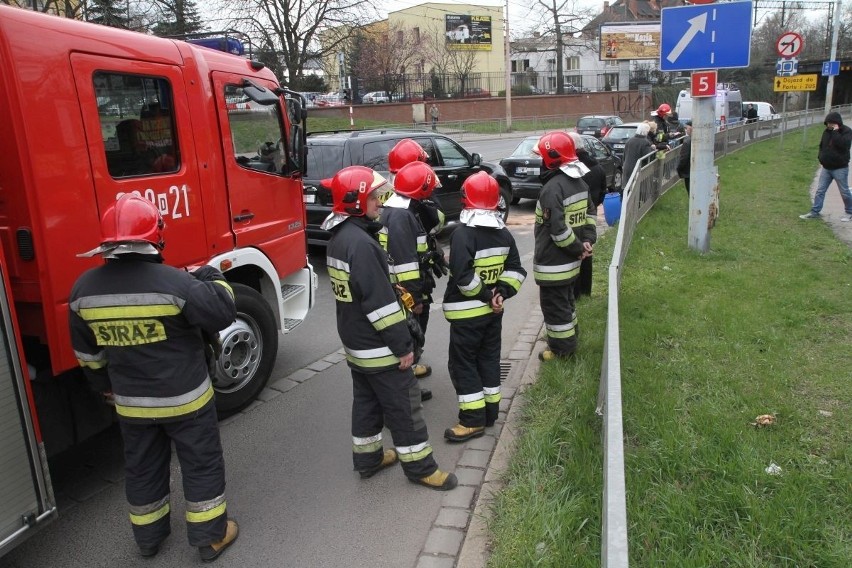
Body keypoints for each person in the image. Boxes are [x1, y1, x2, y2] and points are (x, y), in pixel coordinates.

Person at [68, 195, 239, 562]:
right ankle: (210, 537)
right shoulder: (174, 282)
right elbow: (222, 313)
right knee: (200, 462)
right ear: (155, 235)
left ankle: (149, 538)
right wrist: (212, 276)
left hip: (130, 404)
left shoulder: (83, 290)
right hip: (186, 400)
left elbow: (88, 355)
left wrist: (104, 387)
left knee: (142, 466)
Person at [321, 165, 457, 490]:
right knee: (404, 408)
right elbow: (381, 306)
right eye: (373, 197)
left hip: (356, 345)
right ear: (356, 202)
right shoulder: (363, 246)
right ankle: (422, 468)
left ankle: (368, 459)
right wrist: (404, 347)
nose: (379, 202)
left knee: (366, 402)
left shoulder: (339, 239)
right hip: (380, 348)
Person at [442, 171, 526, 441]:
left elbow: (464, 279)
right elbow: (515, 270)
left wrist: (487, 295)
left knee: (463, 365)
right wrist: (500, 293)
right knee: (489, 360)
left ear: (466, 198)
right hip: (493, 315)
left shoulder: (462, 234)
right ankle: (490, 413)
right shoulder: (504, 234)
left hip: (467, 317)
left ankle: (471, 421)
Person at [383, 139, 448, 388]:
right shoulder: (403, 208)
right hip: (406, 286)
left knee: (412, 330)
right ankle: (407, 380)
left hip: (408, 281)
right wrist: (416, 297)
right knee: (410, 329)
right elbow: (406, 258)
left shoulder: (394, 198)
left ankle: (410, 365)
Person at [533, 131, 596, 361]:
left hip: (554, 265)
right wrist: (587, 241)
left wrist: (579, 247)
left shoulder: (552, 189)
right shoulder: (579, 182)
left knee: (555, 309)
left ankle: (562, 352)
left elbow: (558, 232)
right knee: (567, 304)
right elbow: (590, 213)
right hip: (571, 265)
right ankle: (571, 339)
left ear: (551, 158)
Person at [568, 132, 606, 297]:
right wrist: (595, 205)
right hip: (591, 213)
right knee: (588, 250)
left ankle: (575, 292)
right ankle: (586, 290)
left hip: (574, 216)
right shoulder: (597, 166)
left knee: (575, 252)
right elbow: (604, 189)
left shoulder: (573, 168)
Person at [799, 112, 852, 222]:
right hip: (826, 167)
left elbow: (844, 145)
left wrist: (836, 132)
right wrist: (821, 157)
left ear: (836, 123)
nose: (829, 125)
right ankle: (815, 212)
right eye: (828, 123)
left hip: (840, 168)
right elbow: (822, 145)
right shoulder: (826, 132)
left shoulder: (846, 131)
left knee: (844, 191)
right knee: (820, 190)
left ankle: (849, 212)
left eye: (831, 123)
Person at [621, 122, 655, 189]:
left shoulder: (629, 141)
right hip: (638, 169)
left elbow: (624, 155)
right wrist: (652, 149)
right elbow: (647, 157)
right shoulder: (645, 142)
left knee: (628, 188)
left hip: (627, 167)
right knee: (637, 189)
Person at [677, 121, 693, 194]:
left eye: (687, 128)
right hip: (696, 170)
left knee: (691, 192)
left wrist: (679, 168)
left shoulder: (687, 141)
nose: (686, 130)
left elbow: (684, 158)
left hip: (689, 172)